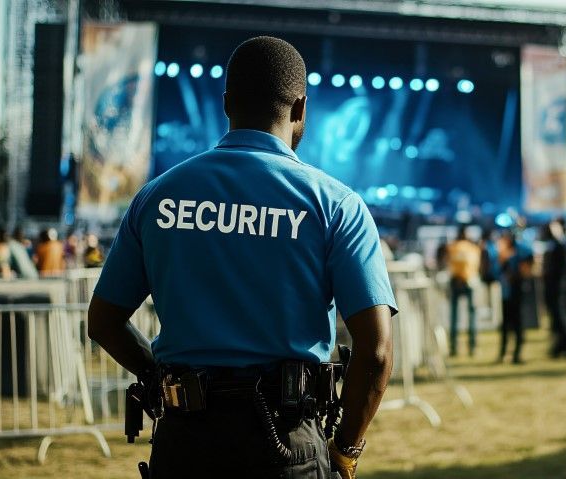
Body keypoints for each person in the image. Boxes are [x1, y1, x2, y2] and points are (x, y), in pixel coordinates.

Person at [87, 36, 397, 479]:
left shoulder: (157, 197)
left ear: (227, 103)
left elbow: (103, 322)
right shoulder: (336, 205)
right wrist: (345, 450)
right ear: (300, 110)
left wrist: (161, 379)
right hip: (288, 443)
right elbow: (378, 351)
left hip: (185, 443)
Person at [446, 225, 481, 357]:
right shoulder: (472, 248)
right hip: (470, 282)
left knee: (454, 316)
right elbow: (475, 265)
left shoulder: (453, 247)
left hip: (456, 281)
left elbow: (451, 263)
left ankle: (454, 347)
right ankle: (472, 346)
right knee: (472, 315)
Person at [543, 219, 566, 358]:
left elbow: (559, 269)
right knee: (558, 316)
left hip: (559, 287)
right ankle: (561, 345)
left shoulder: (561, 246)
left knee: (561, 316)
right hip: (556, 286)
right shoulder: (557, 245)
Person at [498, 231, 530, 364]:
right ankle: (504, 353)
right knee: (506, 325)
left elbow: (526, 267)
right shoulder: (505, 253)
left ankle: (516, 354)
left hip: (515, 293)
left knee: (517, 325)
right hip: (507, 294)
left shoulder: (521, 251)